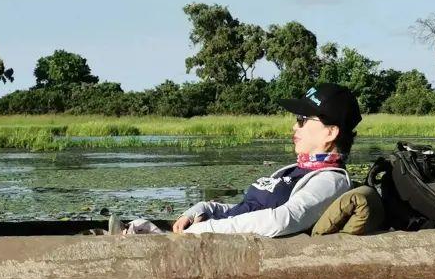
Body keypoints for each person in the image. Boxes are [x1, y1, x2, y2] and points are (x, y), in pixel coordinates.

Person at [149, 84, 360, 238]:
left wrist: (204, 229)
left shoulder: (331, 180)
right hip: (211, 229)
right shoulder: (295, 170)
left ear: (330, 132)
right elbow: (247, 208)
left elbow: (281, 220)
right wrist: (203, 208)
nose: (295, 127)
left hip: (216, 238)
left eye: (302, 120)